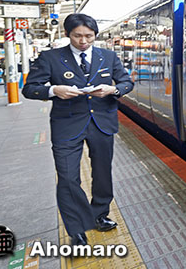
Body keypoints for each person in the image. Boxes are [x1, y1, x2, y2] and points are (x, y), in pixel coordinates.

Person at [22, 14, 133, 247]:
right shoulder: (50, 58)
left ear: (95, 35)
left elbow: (126, 83)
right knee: (67, 178)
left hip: (102, 123)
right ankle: (77, 226)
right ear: (67, 34)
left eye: (89, 36)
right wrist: (53, 90)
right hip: (66, 124)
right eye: (78, 36)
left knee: (102, 174)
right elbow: (29, 88)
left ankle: (99, 214)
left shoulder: (109, 56)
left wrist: (112, 90)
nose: (83, 41)